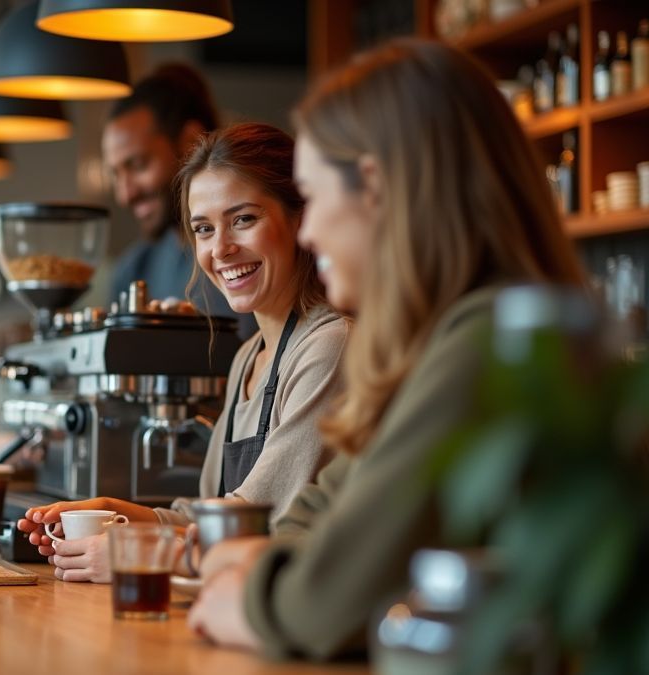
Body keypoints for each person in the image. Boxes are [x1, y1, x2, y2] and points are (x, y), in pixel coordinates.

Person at [186, 39, 587, 659]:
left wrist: (250, 597)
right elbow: (329, 509)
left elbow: (329, 602)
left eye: (314, 199)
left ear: (375, 188)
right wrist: (267, 561)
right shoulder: (449, 341)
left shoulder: (489, 347)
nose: (309, 231)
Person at [16, 122, 349, 582]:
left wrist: (137, 550)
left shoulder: (329, 346)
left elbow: (260, 526)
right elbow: (213, 517)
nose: (221, 249)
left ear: (299, 218)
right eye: (204, 229)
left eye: (244, 219)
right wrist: (124, 514)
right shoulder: (248, 357)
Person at [103, 63, 255, 337]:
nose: (125, 195)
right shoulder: (133, 269)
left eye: (138, 165)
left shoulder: (253, 256)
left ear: (190, 142)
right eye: (116, 174)